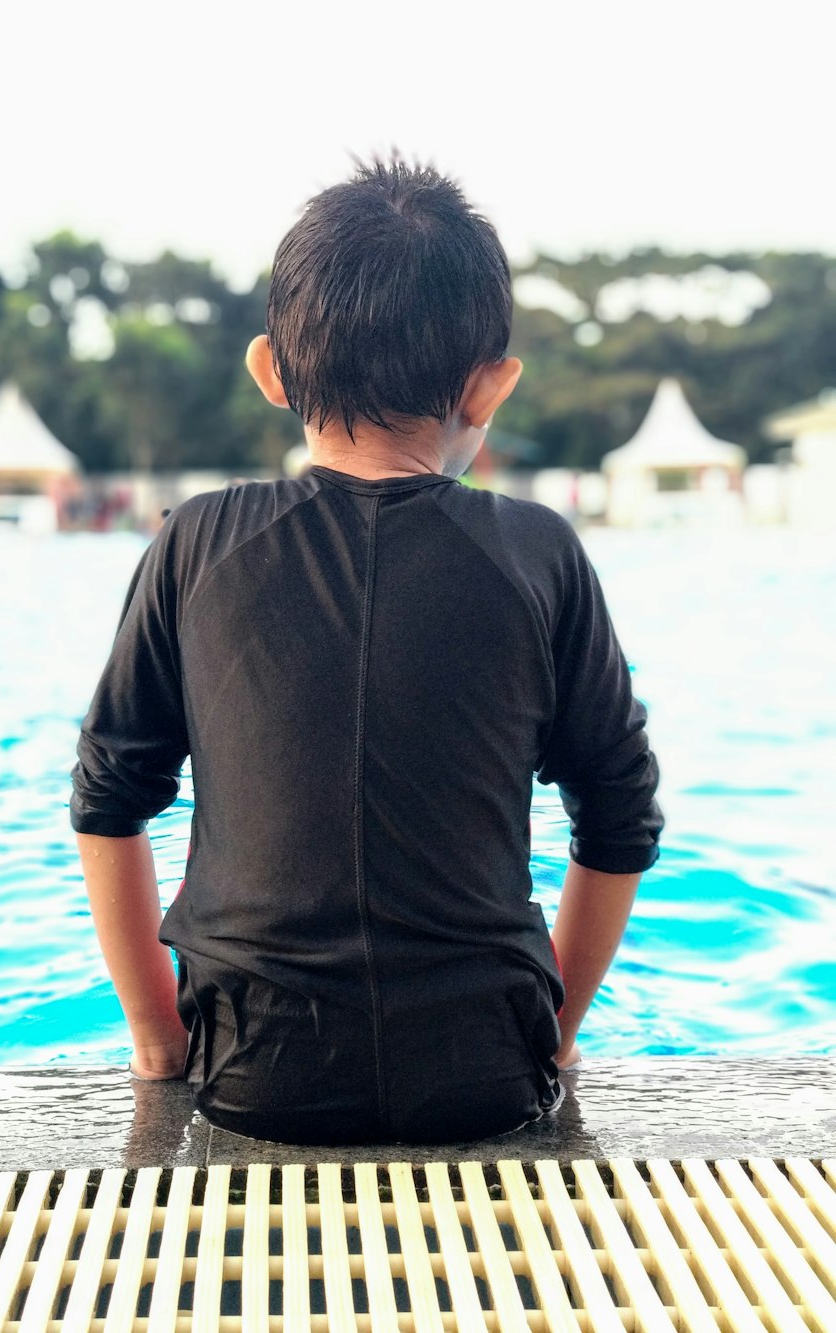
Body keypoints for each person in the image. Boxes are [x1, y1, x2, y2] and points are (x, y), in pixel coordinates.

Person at [71, 158, 662, 1145]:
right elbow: (619, 814)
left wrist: (156, 1046)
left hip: (251, 1071)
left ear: (269, 370)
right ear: (490, 387)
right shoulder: (538, 551)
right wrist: (551, 1040)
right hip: (486, 1068)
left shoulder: (198, 541)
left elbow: (105, 798)